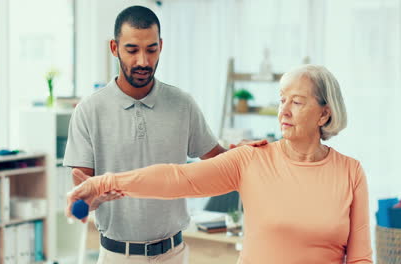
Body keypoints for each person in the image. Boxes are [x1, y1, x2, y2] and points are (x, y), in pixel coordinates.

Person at [67, 64, 373, 264]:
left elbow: (360, 258)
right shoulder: (252, 159)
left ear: (324, 115)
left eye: (297, 101)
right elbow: (177, 179)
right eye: (281, 100)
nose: (284, 111)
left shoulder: (350, 172)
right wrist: (102, 183)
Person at [63, 5, 265, 264]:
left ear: (161, 45)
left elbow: (219, 164)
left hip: (173, 253)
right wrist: (95, 200)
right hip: (118, 255)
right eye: (132, 50)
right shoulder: (89, 111)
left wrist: (243, 152)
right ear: (114, 48)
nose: (143, 61)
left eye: (151, 49)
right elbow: (82, 194)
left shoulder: (183, 104)